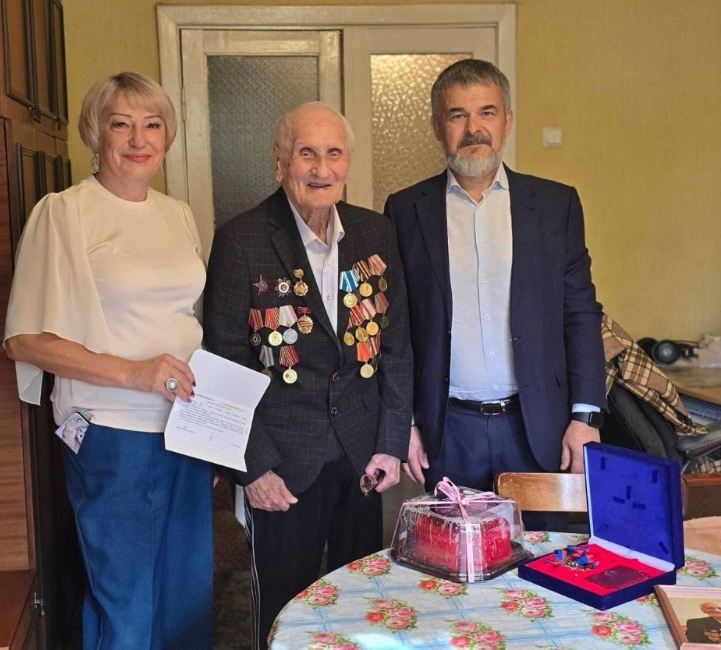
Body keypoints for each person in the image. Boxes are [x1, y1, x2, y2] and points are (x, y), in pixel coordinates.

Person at [3, 72, 213, 650]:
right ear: (96, 134)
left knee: (186, 596)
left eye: (153, 125)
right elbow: (24, 341)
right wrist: (136, 373)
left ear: (168, 136)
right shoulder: (65, 213)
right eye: (121, 124)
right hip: (112, 432)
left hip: (187, 426)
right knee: (126, 600)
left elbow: (183, 319)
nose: (138, 139)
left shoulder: (177, 213)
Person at [203, 101, 412, 648]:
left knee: (362, 610)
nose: (322, 169)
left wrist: (391, 443)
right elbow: (224, 362)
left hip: (362, 458)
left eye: (334, 154)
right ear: (280, 164)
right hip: (282, 464)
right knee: (282, 614)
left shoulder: (375, 233)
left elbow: (396, 348)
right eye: (307, 154)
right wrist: (253, 468)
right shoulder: (241, 238)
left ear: (348, 164)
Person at [384, 59, 606, 520]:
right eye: (458, 115)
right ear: (437, 126)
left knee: (542, 556)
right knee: (452, 559)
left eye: (486, 112)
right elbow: (396, 329)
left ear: (507, 121)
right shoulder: (404, 211)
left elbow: (580, 313)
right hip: (447, 433)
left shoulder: (555, 205)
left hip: (537, 427)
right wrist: (404, 423)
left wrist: (585, 417)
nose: (473, 129)